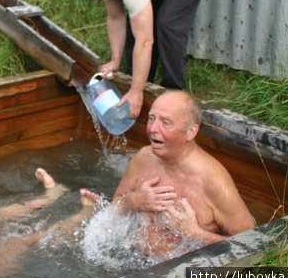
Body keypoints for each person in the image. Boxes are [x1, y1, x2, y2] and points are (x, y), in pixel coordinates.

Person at [69, 0, 218, 118]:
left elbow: (145, 41)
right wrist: (115, 61)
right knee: (137, 22)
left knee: (168, 23)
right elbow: (115, 17)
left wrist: (137, 92)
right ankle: (139, 80)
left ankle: (174, 92)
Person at [97, 90, 255, 258]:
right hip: (132, 259)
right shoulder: (143, 158)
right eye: (151, 118)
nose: (152, 129)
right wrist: (135, 201)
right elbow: (115, 208)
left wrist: (195, 233)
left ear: (190, 132)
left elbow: (251, 243)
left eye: (166, 122)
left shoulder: (213, 180)